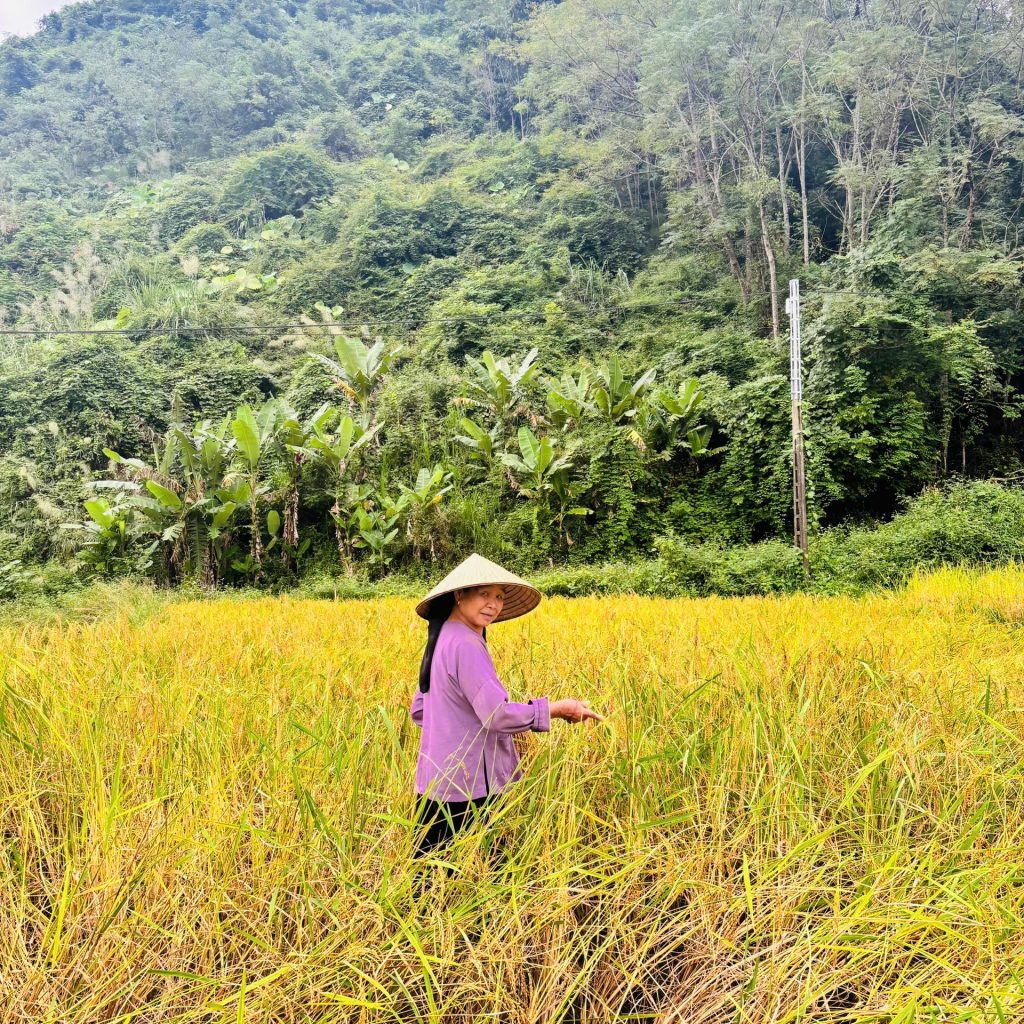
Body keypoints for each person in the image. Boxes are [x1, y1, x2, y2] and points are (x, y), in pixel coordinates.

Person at [409, 552, 603, 864]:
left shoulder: (441, 636)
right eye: (484, 594)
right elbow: (496, 715)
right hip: (471, 784)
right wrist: (556, 708)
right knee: (489, 871)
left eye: (499, 597)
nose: (493, 604)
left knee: (427, 875)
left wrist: (453, 725)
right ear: (460, 594)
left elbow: (420, 710)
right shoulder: (467, 644)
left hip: (436, 780)